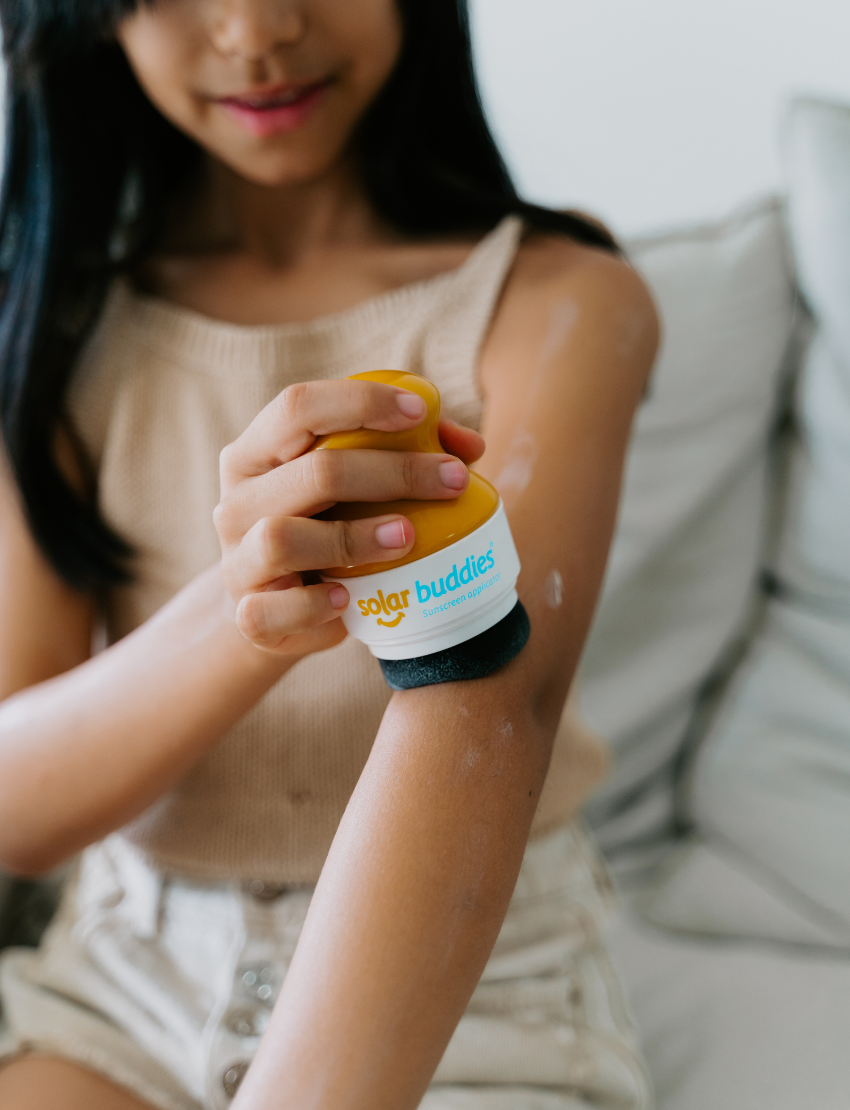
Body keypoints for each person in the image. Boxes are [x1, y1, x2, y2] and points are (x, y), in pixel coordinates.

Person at [0, 1, 659, 1108]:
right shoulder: (51, 328)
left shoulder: (558, 299)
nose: (256, 30)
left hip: (478, 988)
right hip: (125, 985)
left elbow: (490, 697)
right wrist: (244, 614)